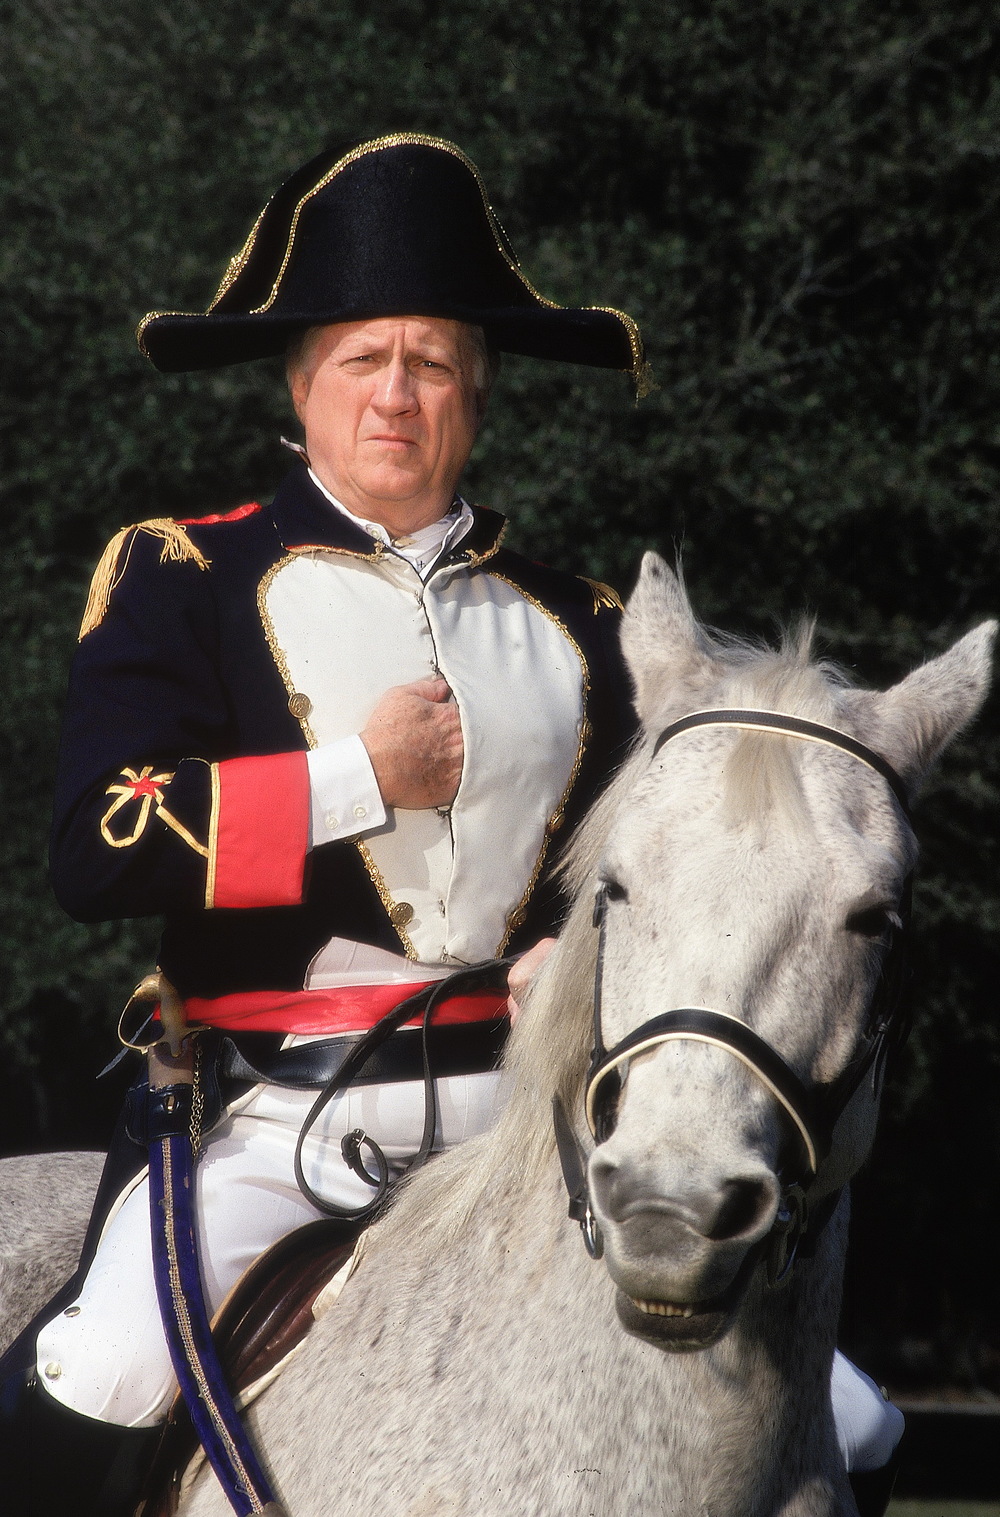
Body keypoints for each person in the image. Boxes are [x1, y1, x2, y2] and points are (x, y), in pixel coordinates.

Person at [0, 133, 901, 1515]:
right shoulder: (183, 573)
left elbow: (656, 869)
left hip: (527, 1125)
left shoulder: (594, 622)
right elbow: (99, 842)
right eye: (364, 360)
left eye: (431, 363)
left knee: (855, 1422)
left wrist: (566, 955)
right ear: (301, 386)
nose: (397, 396)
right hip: (277, 1121)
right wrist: (357, 777)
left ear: (476, 395)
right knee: (98, 1372)